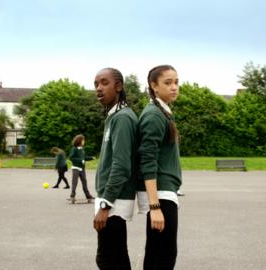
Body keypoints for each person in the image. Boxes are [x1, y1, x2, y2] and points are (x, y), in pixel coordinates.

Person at [93, 68, 139, 269]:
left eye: (104, 83)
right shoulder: (114, 116)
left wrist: (105, 205)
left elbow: (121, 166)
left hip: (114, 202)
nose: (98, 88)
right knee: (116, 257)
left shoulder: (122, 118)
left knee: (108, 260)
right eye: (96, 84)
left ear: (118, 86)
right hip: (111, 200)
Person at [138, 65, 182, 270]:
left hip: (165, 193)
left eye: (176, 82)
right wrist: (154, 207)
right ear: (153, 86)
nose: (174, 87)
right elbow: (148, 160)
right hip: (161, 195)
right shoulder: (154, 115)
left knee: (158, 254)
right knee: (163, 257)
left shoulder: (162, 112)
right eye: (168, 82)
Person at [68, 134, 95, 201]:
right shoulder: (74, 149)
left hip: (82, 169)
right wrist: (80, 160)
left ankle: (88, 196)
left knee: (84, 182)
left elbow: (83, 158)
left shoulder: (82, 149)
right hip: (76, 168)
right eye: (83, 140)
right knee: (75, 182)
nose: (84, 141)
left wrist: (91, 158)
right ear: (79, 141)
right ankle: (72, 195)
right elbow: (71, 157)